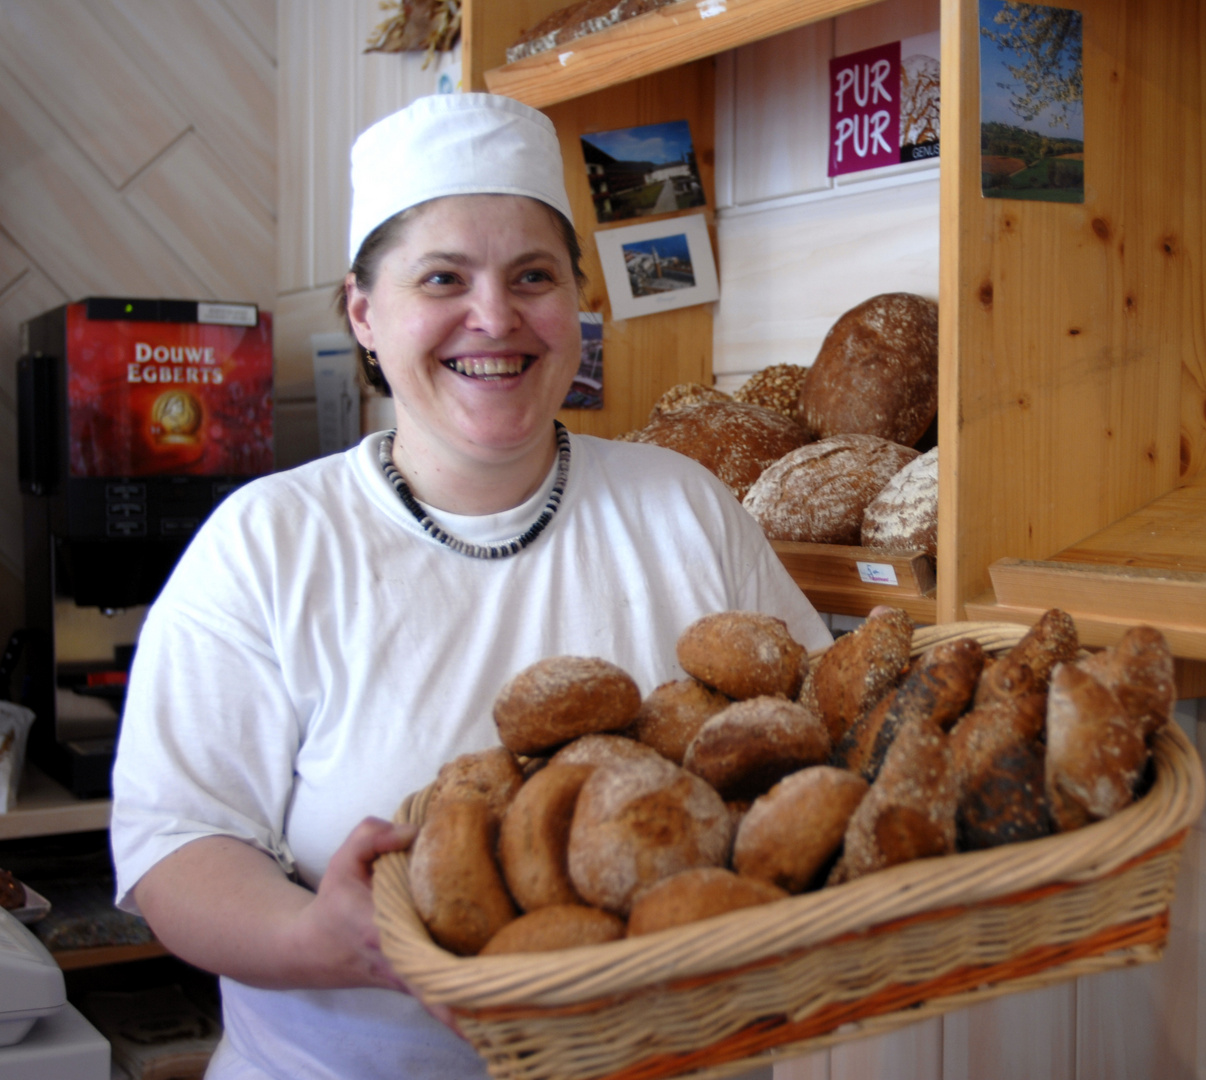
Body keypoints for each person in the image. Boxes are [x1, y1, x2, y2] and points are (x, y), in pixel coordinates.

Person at [109, 93, 832, 1080]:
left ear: (575, 304)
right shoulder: (270, 542)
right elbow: (176, 846)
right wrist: (329, 941)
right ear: (366, 314)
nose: (493, 317)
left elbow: (819, 740)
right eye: (442, 278)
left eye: (531, 277)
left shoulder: (684, 507)